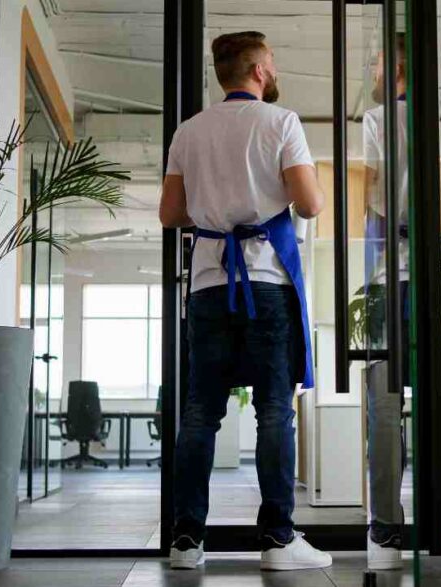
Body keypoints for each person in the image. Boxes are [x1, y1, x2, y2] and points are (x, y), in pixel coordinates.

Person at [159, 30, 331, 572]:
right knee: (275, 411)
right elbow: (309, 205)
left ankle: (186, 541)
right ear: (258, 71)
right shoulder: (282, 123)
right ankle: (278, 541)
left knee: (200, 414)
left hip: (210, 283)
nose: (274, 71)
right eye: (272, 62)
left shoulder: (189, 131)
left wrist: (217, 210)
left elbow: (170, 214)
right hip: (266, 283)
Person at [361, 32, 409, 571]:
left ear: (396, 70)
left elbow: (372, 193)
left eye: (376, 64)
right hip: (425, 275)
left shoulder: (377, 121)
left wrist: (368, 261)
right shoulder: (429, 120)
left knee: (384, 403)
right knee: (424, 398)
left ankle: (387, 522)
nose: (372, 72)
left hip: (388, 275)